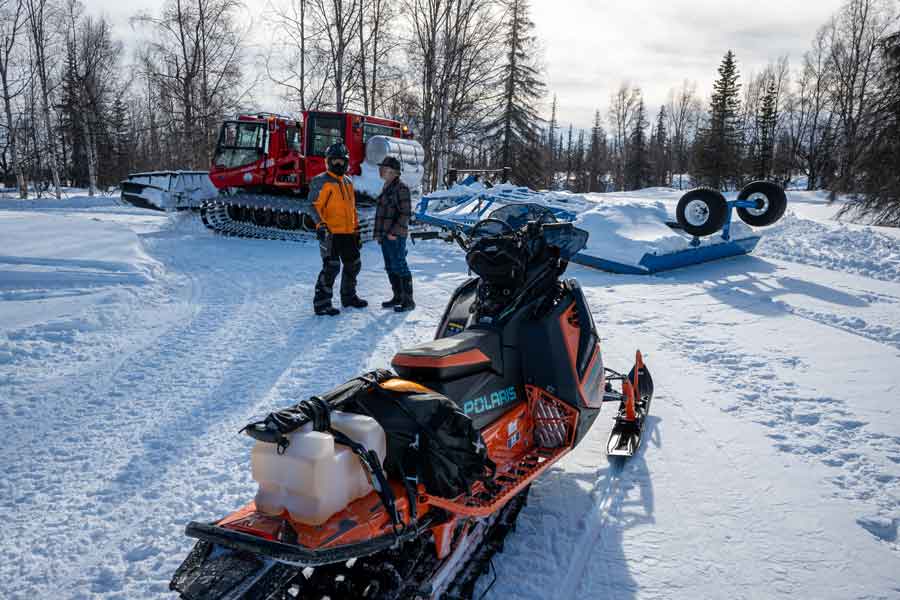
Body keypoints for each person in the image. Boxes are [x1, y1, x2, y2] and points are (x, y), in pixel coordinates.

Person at [309, 142, 368, 316]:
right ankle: (322, 303)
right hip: (331, 233)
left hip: (348, 233)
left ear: (347, 162)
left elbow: (351, 208)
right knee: (331, 267)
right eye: (334, 161)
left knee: (353, 265)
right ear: (328, 162)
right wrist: (320, 225)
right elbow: (312, 206)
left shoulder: (349, 181)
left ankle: (349, 297)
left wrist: (356, 230)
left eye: (341, 162)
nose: (338, 165)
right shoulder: (321, 181)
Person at [373, 155, 415, 312]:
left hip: (395, 236)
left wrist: (393, 233)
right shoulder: (387, 186)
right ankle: (398, 296)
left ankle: (408, 300)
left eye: (384, 168)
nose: (381, 171)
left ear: (393, 172)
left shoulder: (401, 188)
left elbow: (405, 214)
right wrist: (379, 234)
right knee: (390, 266)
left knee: (400, 266)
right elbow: (382, 213)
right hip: (386, 236)